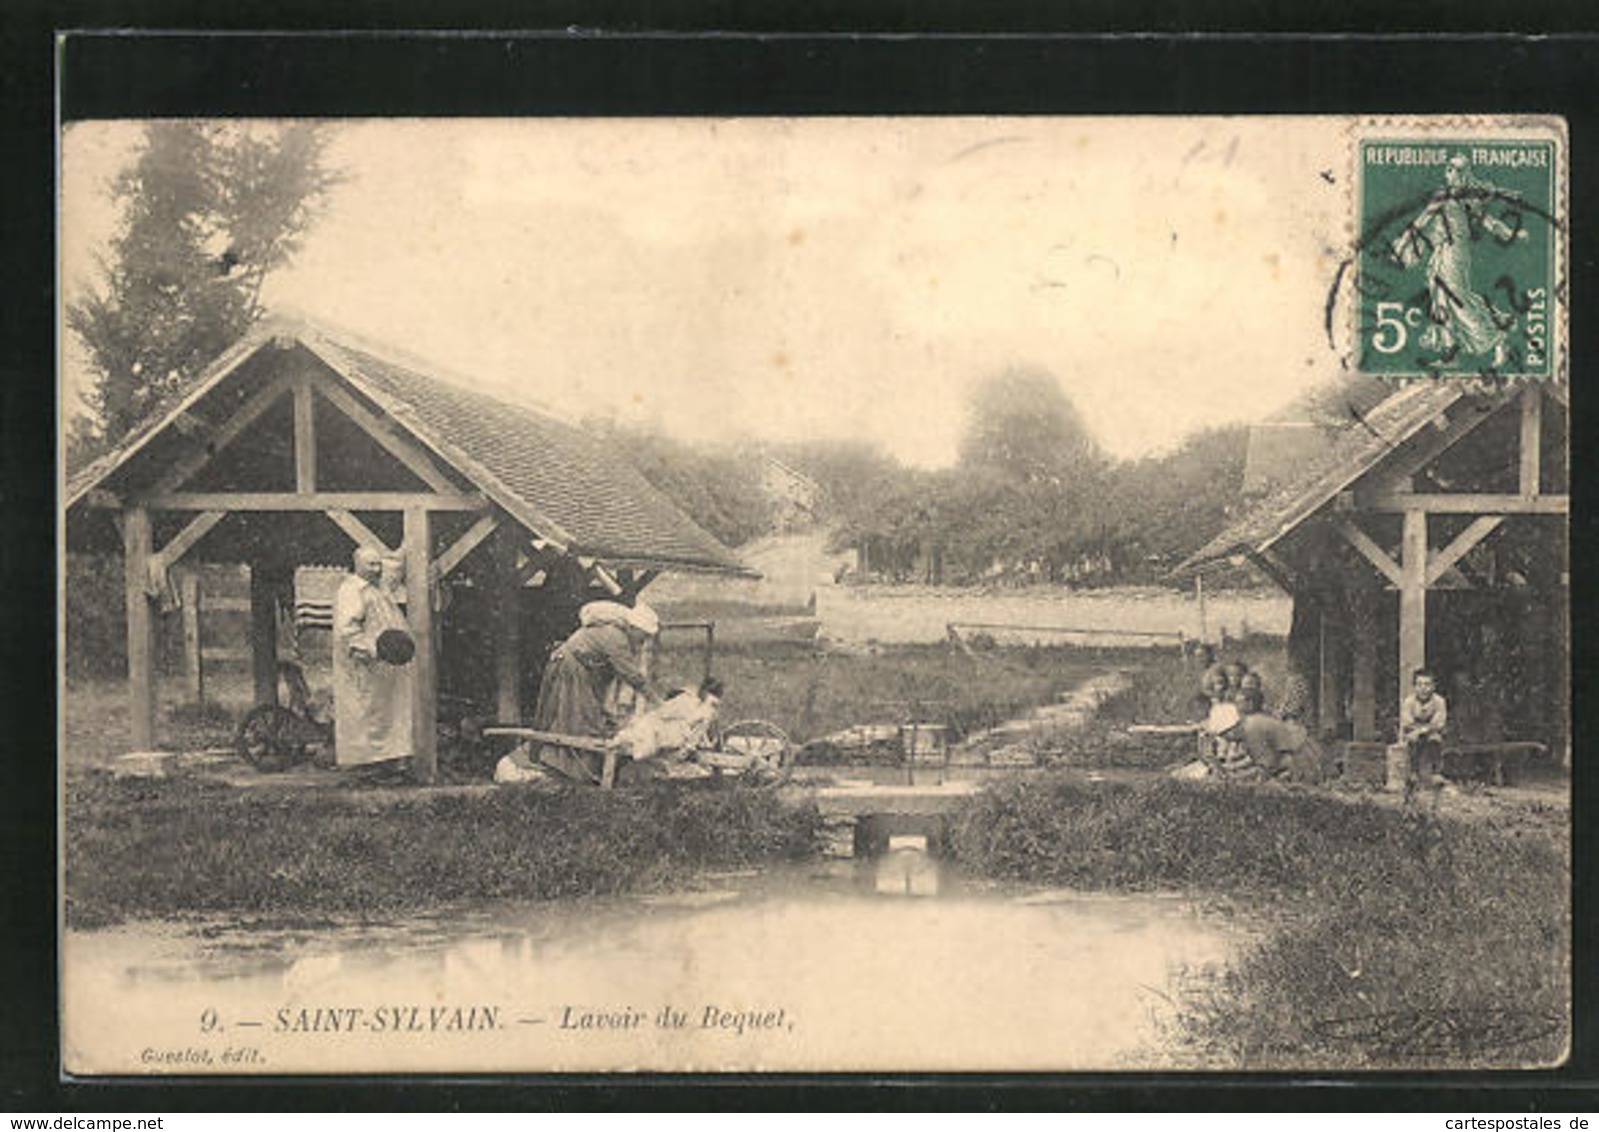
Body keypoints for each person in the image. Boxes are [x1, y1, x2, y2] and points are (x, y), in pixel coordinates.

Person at [1391, 154, 1528, 368]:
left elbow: (1487, 221)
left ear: (1462, 174)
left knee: (1456, 299)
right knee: (1443, 299)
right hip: (1445, 251)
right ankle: (1451, 352)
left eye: (1454, 169)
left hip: (1454, 253)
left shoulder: (1460, 198)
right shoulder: (1449, 196)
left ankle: (1497, 339)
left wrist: (1510, 233)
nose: (1449, 173)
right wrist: (1402, 245)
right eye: (1448, 169)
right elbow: (1421, 223)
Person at [530, 601, 661, 780]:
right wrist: (655, 700)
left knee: (582, 716)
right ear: (634, 627)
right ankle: (570, 770)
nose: (643, 641)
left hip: (576, 668)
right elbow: (630, 674)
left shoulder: (617, 634)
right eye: (643, 636)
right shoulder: (615, 637)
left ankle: (572, 768)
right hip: (571, 669)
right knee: (577, 719)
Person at [332, 547, 415, 771]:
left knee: (391, 714)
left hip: (389, 666)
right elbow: (347, 630)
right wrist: (372, 651)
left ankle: (391, 765)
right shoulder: (351, 590)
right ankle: (366, 767)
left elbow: (395, 565)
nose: (377, 569)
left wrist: (407, 543)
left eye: (378, 564)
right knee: (369, 717)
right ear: (357, 564)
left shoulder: (379, 587)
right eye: (371, 565)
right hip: (367, 664)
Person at [1400, 667, 1449, 787]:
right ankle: (1413, 772)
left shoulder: (1439, 701)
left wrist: (1425, 729)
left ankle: (1436, 772)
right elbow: (1407, 722)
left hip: (1432, 731)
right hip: (1413, 731)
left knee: (1435, 739)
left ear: (1433, 686)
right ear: (1414, 687)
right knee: (1413, 740)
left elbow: (1439, 722)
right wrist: (1417, 730)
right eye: (1419, 684)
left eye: (1427, 684)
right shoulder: (1409, 702)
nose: (1423, 688)